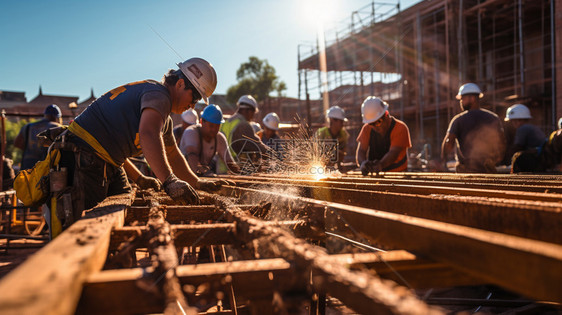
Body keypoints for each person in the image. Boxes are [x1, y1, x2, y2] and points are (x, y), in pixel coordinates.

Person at [48, 57, 230, 228]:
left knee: (121, 202)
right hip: (80, 155)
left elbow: (172, 155)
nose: (193, 106)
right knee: (87, 226)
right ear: (181, 84)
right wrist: (169, 180)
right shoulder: (159, 96)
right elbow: (148, 134)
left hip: (99, 158)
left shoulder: (163, 116)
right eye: (195, 98)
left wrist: (196, 183)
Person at [441, 83, 505, 173]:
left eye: (463, 98)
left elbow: (448, 143)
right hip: (487, 169)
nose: (461, 102)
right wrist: (496, 160)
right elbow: (502, 143)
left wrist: (443, 163)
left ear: (472, 98)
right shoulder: (493, 117)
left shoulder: (459, 120)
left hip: (466, 170)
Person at [356, 96, 411, 175]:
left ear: (386, 114)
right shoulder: (367, 128)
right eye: (371, 123)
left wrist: (380, 165)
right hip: (376, 175)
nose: (375, 127)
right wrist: (363, 163)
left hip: (398, 174)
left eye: (378, 122)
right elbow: (361, 150)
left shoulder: (400, 128)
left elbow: (393, 153)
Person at [179, 104, 239, 176]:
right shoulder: (191, 132)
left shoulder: (219, 138)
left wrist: (240, 173)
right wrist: (199, 177)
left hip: (201, 175)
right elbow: (192, 155)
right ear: (201, 122)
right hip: (183, 175)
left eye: (217, 126)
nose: (214, 129)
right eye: (211, 125)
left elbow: (229, 162)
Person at [218, 95, 269, 173]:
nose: (252, 117)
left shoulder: (226, 122)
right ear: (248, 111)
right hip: (234, 170)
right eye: (253, 113)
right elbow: (257, 145)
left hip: (221, 170)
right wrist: (276, 155)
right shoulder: (243, 125)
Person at [14, 104, 63, 170]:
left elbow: (17, 143)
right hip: (46, 168)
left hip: (27, 167)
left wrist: (31, 150)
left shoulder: (28, 126)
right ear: (57, 117)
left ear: (45, 115)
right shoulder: (58, 128)